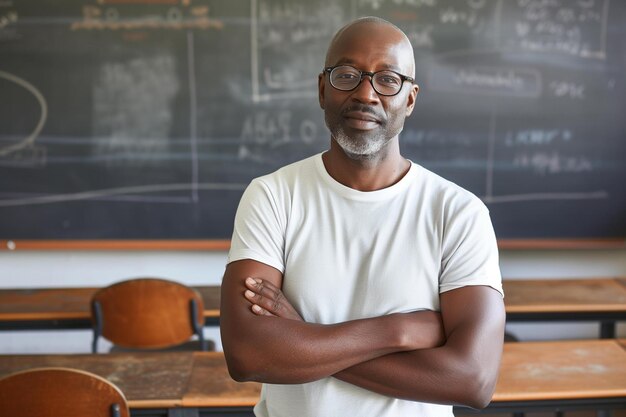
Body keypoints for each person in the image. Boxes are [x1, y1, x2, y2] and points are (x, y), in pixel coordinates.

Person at [220, 16, 505, 417]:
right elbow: (249, 355)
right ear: (323, 89)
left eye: (387, 79)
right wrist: (400, 331)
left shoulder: (458, 213)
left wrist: (301, 339)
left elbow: (473, 379)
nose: (366, 93)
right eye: (347, 75)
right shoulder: (273, 196)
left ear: (410, 98)